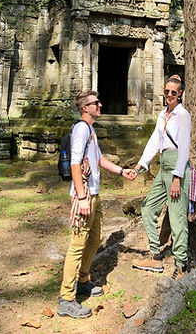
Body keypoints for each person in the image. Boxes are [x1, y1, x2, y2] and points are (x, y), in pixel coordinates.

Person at [57, 90, 135, 319]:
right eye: (95, 103)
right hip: (84, 196)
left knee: (95, 238)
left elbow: (98, 159)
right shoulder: (81, 128)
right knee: (77, 245)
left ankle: (82, 280)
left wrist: (121, 171)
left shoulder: (90, 129)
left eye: (99, 101)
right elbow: (74, 163)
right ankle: (66, 298)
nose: (100, 105)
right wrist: (81, 197)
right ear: (85, 108)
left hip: (94, 195)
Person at [131, 75, 191, 280]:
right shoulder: (163, 115)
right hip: (163, 165)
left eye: (174, 92)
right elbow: (154, 141)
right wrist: (141, 165)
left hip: (177, 168)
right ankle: (155, 255)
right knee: (148, 207)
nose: (170, 95)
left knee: (177, 217)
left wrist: (177, 178)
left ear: (180, 93)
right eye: (167, 92)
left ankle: (181, 264)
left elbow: (184, 148)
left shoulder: (183, 115)